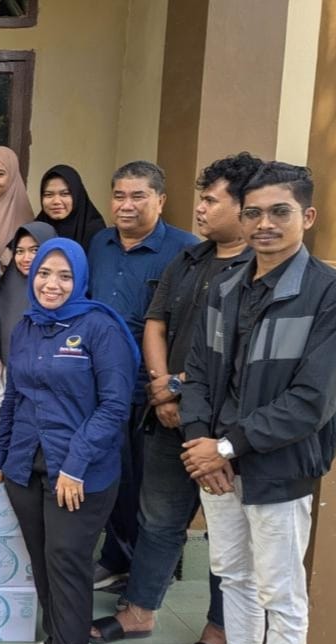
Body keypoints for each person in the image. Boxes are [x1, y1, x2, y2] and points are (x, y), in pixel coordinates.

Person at [178, 162, 336, 644]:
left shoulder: (333, 295)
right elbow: (197, 373)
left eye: (280, 212)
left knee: (280, 596)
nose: (265, 224)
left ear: (308, 216)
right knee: (233, 579)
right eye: (254, 213)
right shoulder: (225, 287)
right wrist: (202, 445)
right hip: (217, 465)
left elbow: (312, 401)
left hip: (278, 466)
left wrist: (225, 447)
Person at [87, 153, 261, 644]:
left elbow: (245, 357)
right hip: (169, 419)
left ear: (244, 207)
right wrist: (163, 392)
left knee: (228, 537)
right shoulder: (188, 261)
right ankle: (140, 610)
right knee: (158, 519)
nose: (200, 208)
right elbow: (156, 322)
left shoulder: (260, 271)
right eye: (201, 199)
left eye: (211, 200)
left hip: (227, 432)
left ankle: (220, 632)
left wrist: (180, 390)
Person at [0, 238, 137, 644]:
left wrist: (74, 466)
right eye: (43, 273)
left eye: (64, 275)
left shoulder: (99, 328)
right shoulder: (28, 326)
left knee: (67, 564)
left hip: (80, 474)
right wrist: (0, 461)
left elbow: (115, 407)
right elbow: (14, 399)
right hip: (27, 468)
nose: (51, 284)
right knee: (42, 564)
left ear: (80, 278)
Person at [87, 161, 198, 593]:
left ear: (160, 200)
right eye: (119, 196)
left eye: (138, 196)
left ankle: (147, 578)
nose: (126, 205)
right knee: (112, 479)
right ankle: (115, 558)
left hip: (154, 391)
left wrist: (173, 386)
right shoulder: (100, 243)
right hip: (102, 386)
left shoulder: (186, 251)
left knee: (152, 491)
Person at [0, 221, 58, 406]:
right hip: (11, 402)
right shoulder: (4, 293)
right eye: (20, 251)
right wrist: (1, 405)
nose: (26, 258)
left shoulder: (63, 296)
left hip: (56, 404)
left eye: (35, 250)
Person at [36, 164, 106, 252]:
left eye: (65, 194)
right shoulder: (36, 230)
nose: (56, 201)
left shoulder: (96, 232)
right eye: (48, 195)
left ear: (77, 196)